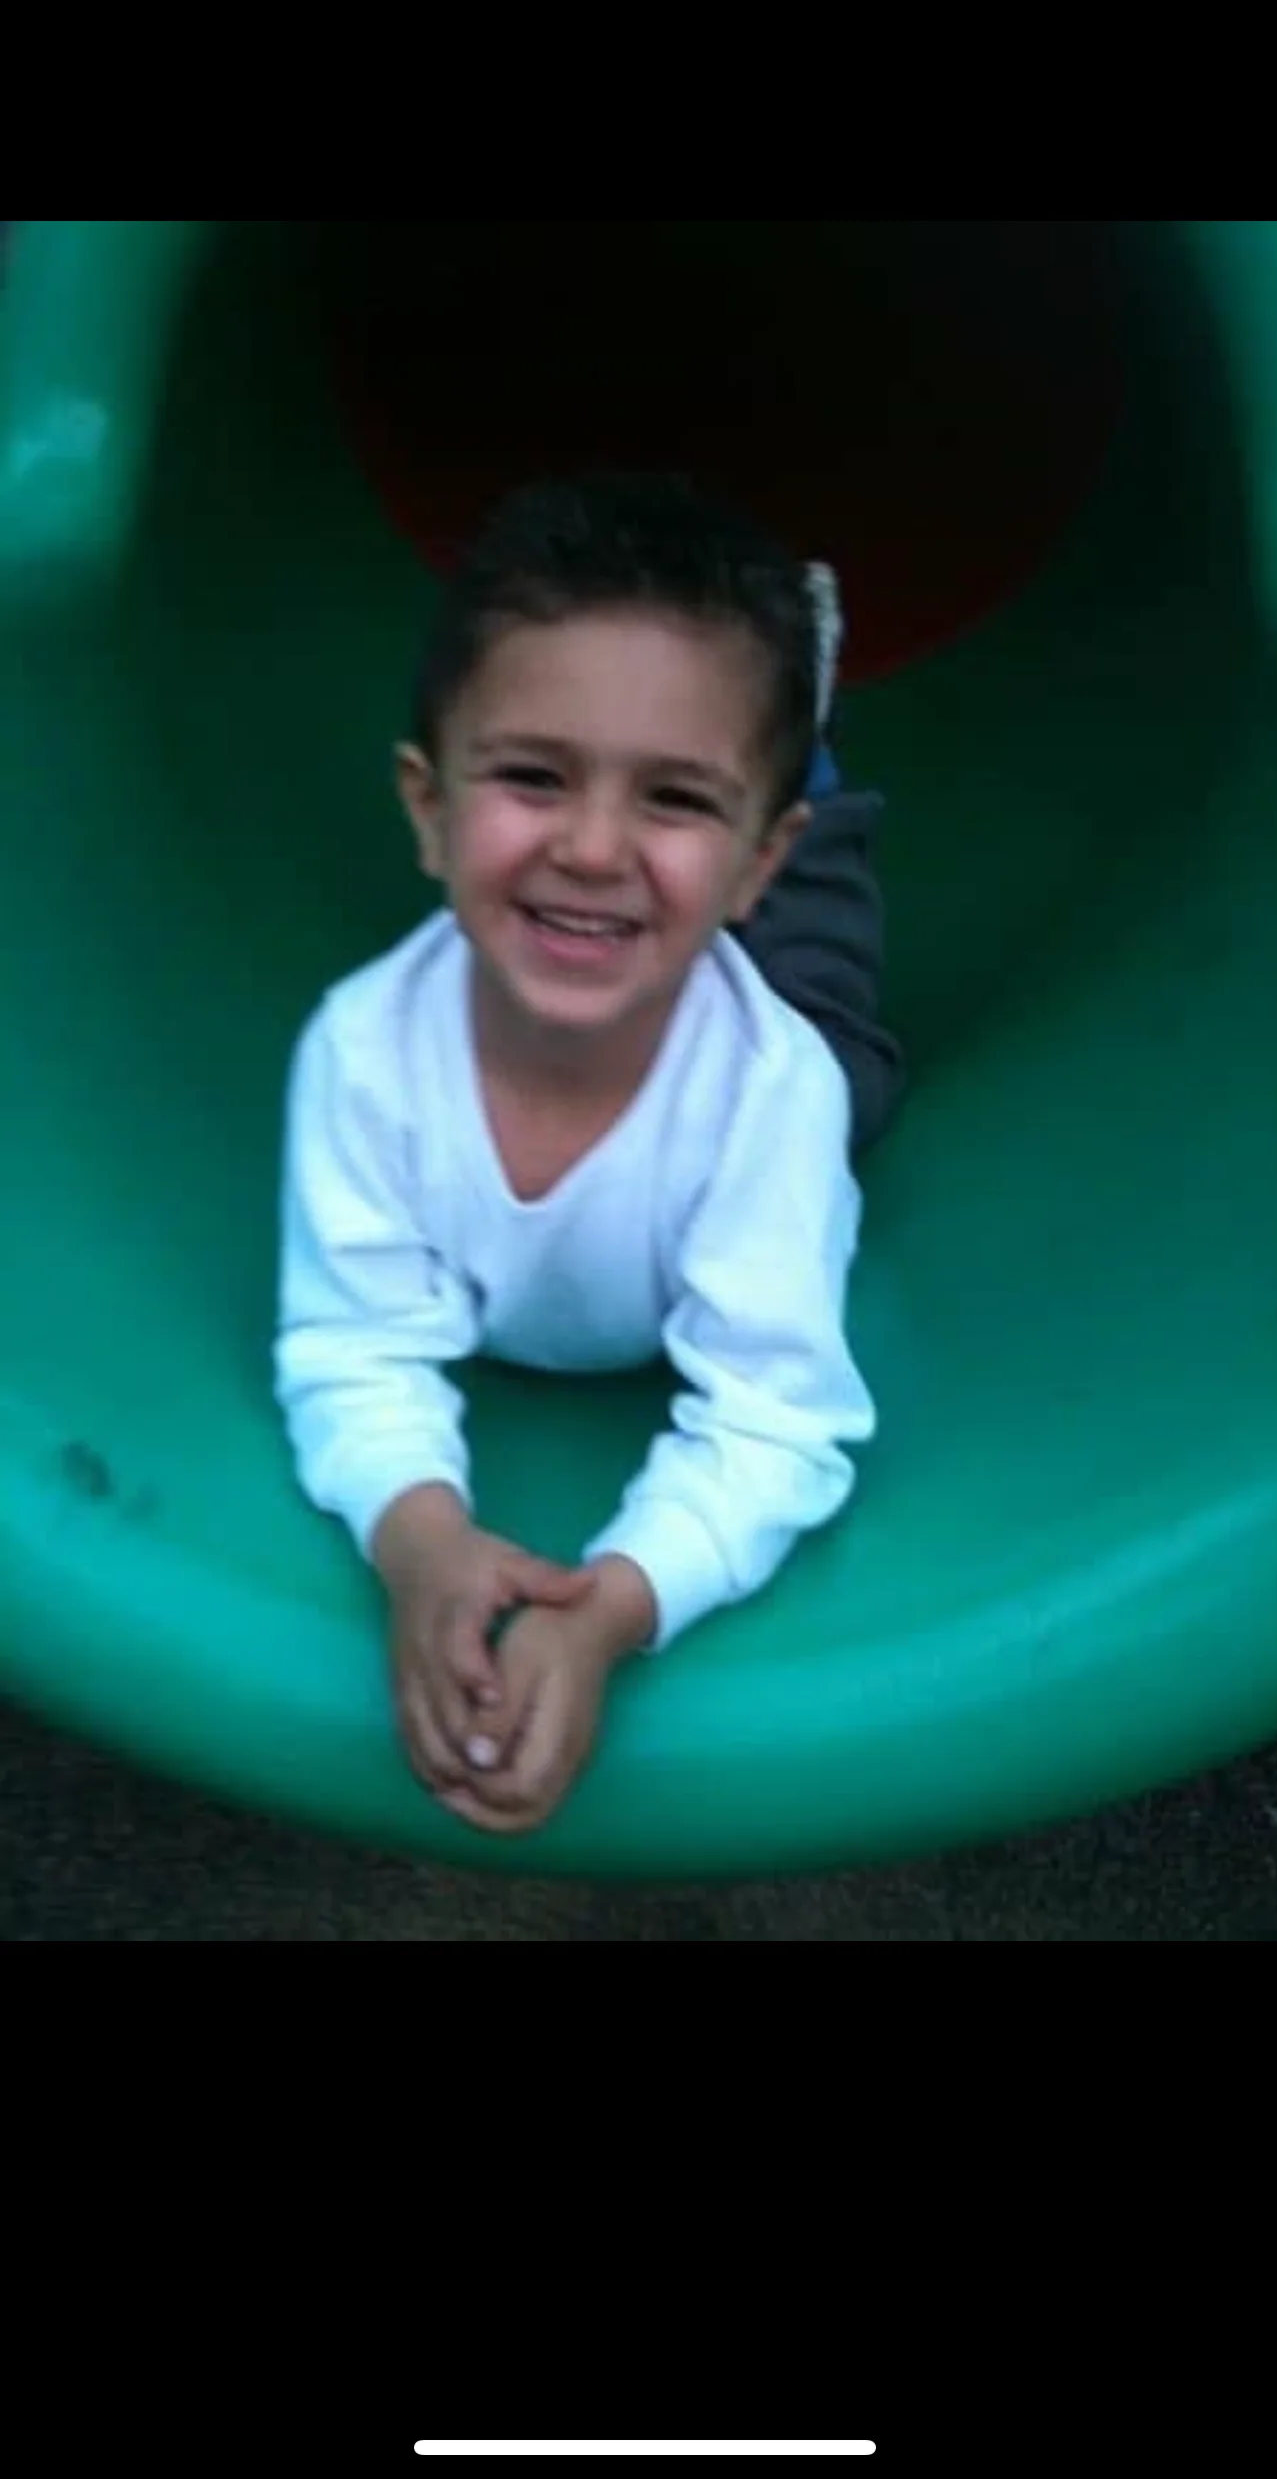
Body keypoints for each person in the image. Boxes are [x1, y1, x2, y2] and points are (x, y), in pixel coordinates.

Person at [275, 473, 901, 1836]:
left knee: (839, 1029)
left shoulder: (772, 1096)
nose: (594, 845)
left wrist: (613, 1607)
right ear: (428, 809)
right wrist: (421, 1541)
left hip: (767, 1026)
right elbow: (351, 1344)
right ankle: (748, 753)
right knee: (663, 894)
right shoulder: (362, 1053)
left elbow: (777, 1419)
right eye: (532, 776)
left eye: (672, 795)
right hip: (665, 985)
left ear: (750, 863)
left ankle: (808, 750)